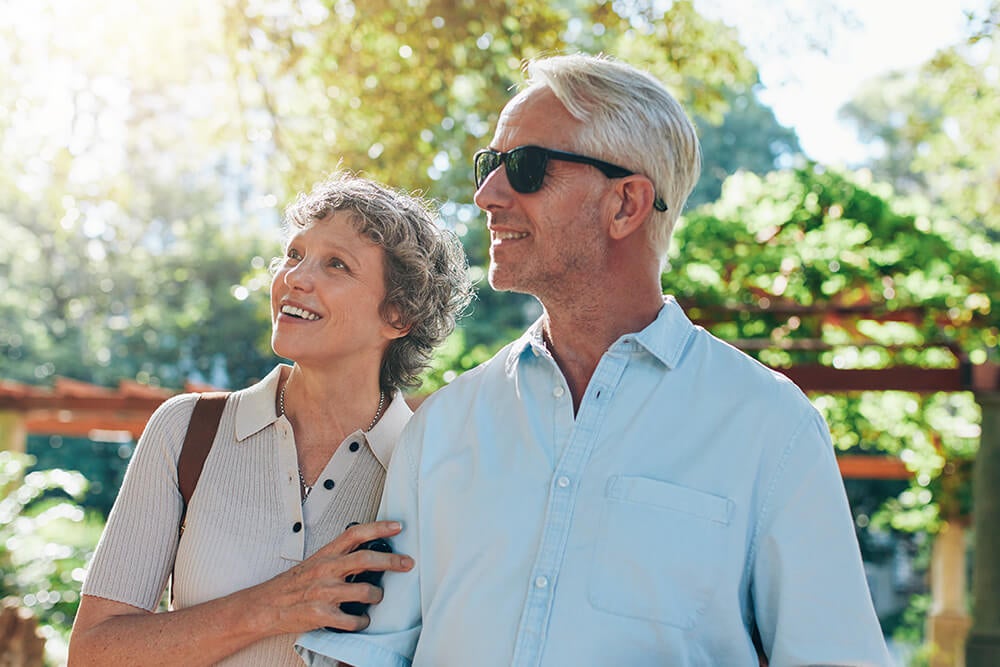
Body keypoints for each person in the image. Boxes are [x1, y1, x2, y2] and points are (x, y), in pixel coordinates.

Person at [295, 54, 892, 666]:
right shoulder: (441, 428)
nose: (486, 195)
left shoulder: (772, 428)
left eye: (525, 168)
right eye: (489, 165)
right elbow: (376, 656)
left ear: (627, 205)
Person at [68, 171, 472, 666]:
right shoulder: (187, 431)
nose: (295, 278)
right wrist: (275, 605)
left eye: (336, 265)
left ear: (398, 315)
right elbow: (92, 654)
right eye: (295, 254)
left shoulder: (428, 465)